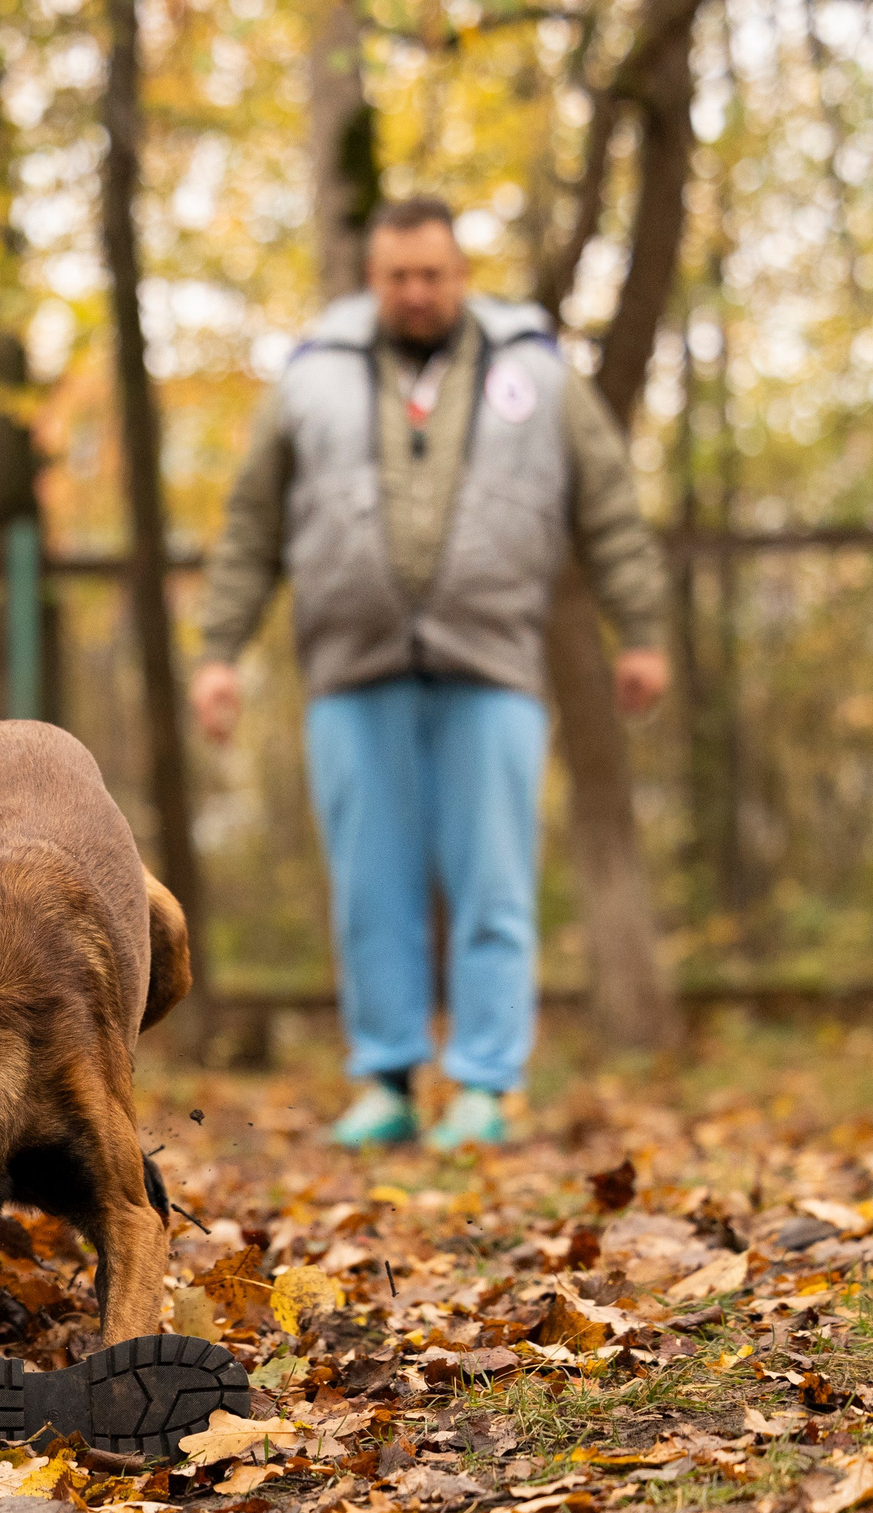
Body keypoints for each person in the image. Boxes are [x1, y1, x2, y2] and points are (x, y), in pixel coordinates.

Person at [190, 196, 668, 1151]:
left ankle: (487, 1082)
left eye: (433, 275)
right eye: (398, 276)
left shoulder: (534, 368)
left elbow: (608, 500)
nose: (416, 292)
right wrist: (220, 651)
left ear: (462, 274)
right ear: (373, 279)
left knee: (494, 879)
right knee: (371, 886)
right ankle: (387, 1079)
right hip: (350, 670)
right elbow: (252, 525)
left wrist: (642, 629)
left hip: (492, 665)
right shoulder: (312, 378)